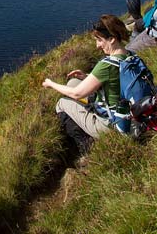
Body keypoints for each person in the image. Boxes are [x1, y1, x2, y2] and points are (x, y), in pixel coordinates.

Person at [42, 14, 129, 154]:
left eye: (99, 40)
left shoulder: (106, 65)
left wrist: (51, 84)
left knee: (61, 103)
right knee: (73, 82)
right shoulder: (130, 55)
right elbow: (115, 79)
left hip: (110, 123)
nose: (97, 45)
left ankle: (87, 146)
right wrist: (86, 77)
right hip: (124, 110)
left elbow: (77, 94)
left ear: (112, 39)